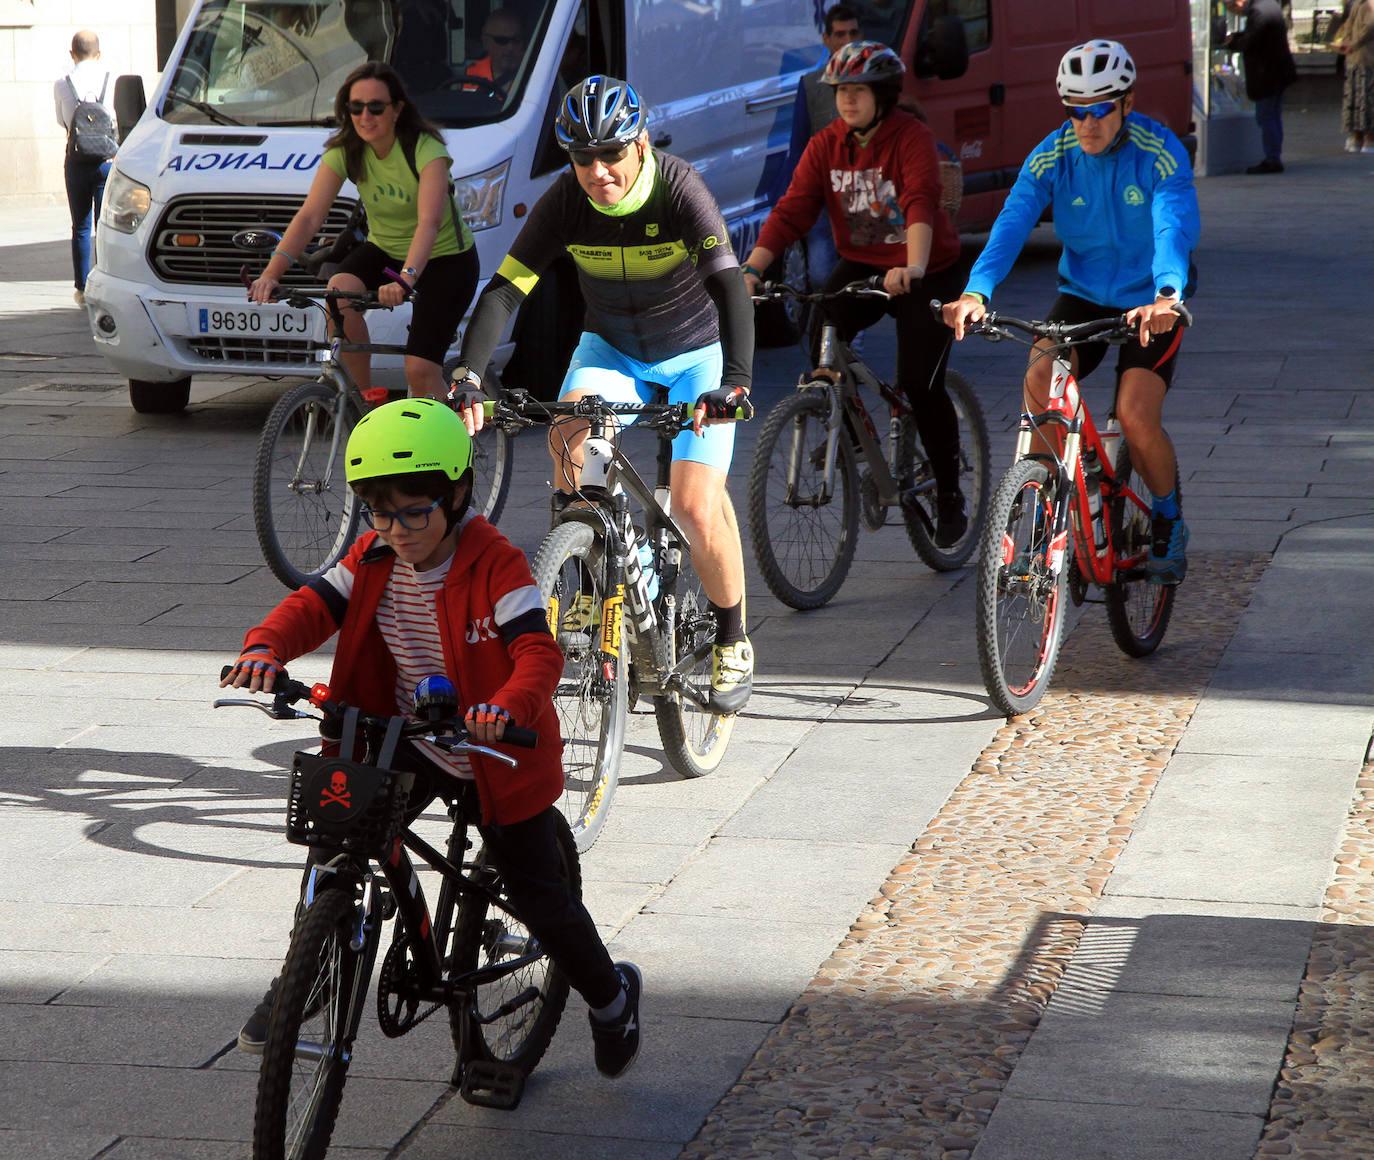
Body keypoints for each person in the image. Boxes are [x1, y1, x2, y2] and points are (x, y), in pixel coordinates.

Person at [222, 398, 643, 1079]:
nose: (397, 529)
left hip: (493, 753)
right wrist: (265, 649)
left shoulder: (495, 565)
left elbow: (537, 654)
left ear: (457, 495)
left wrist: (506, 706)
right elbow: (312, 607)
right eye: (380, 513)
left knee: (541, 897)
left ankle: (611, 999)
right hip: (407, 740)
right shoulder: (374, 554)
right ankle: (310, 967)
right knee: (337, 838)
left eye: (415, 512)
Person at [450, 75, 758, 713]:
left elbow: (730, 285)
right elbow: (506, 289)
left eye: (611, 154)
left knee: (697, 510)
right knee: (570, 456)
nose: (597, 171)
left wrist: (736, 381)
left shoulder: (678, 188)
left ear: (640, 145)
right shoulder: (567, 198)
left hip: (696, 357)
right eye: (582, 157)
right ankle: (591, 572)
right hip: (613, 350)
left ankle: (732, 640)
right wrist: (470, 374)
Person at [942, 39, 1200, 586]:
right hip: (1082, 291)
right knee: (1040, 380)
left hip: (1150, 298)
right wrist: (977, 291)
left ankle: (1169, 518)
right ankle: (1047, 500)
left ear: (1127, 104)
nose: (1088, 122)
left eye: (1101, 108)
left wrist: (1167, 293)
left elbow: (1171, 224)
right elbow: (1012, 221)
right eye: (1076, 111)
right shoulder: (1054, 154)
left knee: (1133, 413)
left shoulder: (1159, 151)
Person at [742, 42, 970, 546]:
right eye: (841, 91)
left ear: (883, 95)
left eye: (858, 91)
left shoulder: (910, 138)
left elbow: (920, 202)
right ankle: (836, 415)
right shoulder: (827, 144)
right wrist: (752, 269)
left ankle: (951, 493)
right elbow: (792, 209)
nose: (847, 100)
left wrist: (910, 265)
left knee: (919, 380)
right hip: (864, 264)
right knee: (822, 322)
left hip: (928, 269)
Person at [248, 62, 478, 401]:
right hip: (384, 250)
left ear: (397, 109)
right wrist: (270, 274)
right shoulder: (346, 150)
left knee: (419, 369)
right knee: (338, 290)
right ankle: (369, 399)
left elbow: (428, 222)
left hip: (446, 260)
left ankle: (458, 443)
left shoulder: (424, 149)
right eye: (356, 107)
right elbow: (310, 216)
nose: (365, 116)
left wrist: (406, 279)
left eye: (376, 107)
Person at [777, 4, 863, 290]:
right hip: (822, 195)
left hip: (865, 196)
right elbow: (798, 145)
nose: (846, 41)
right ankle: (827, 327)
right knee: (821, 273)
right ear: (826, 39)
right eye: (839, 34)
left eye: (852, 33)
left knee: (862, 273)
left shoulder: (877, 83)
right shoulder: (812, 84)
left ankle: (848, 330)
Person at [54, 30, 116, 307]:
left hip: (76, 160)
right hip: (106, 161)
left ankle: (81, 289)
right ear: (99, 53)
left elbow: (62, 121)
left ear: (72, 53)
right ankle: (106, 284)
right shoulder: (109, 78)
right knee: (105, 227)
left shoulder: (62, 83)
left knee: (80, 226)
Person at [1221, 0, 1299, 173]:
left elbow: (1251, 39)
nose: (1236, 13)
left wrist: (1232, 42)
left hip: (1268, 74)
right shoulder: (1267, 6)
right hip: (1277, 73)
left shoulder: (1259, 12)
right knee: (1273, 115)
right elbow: (1256, 35)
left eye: (1233, 8)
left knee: (1266, 116)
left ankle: (1272, 158)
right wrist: (1237, 37)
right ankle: (1273, 154)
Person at [1330, 0, 1374, 151]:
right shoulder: (1357, 4)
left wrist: (1351, 43)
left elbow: (1370, 26)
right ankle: (1359, 137)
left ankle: (1365, 138)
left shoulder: (1367, 4)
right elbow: (1349, 25)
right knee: (1360, 99)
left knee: (1363, 99)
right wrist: (1347, 42)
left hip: (1365, 58)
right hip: (1358, 58)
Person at [464, 8, 527, 95]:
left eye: (516, 40)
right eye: (501, 40)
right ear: (486, 41)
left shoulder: (534, 76)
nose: (510, 47)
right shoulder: (468, 76)